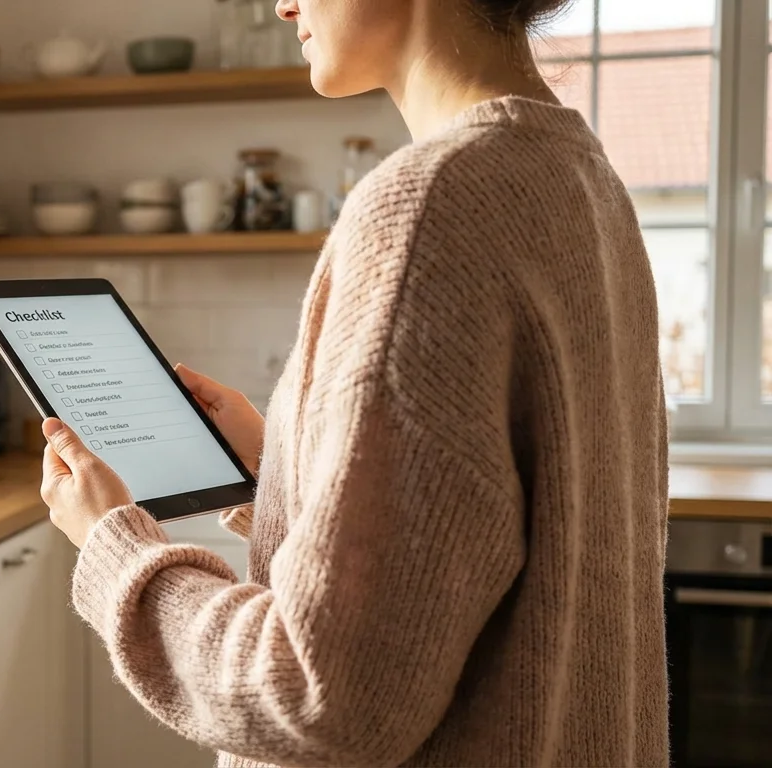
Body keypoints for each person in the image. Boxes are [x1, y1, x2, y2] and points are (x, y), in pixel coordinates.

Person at [37, 0, 670, 765]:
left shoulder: (430, 203)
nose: (283, 4)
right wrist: (287, 472)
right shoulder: (580, 177)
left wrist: (117, 551)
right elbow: (491, 524)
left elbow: (319, 697)